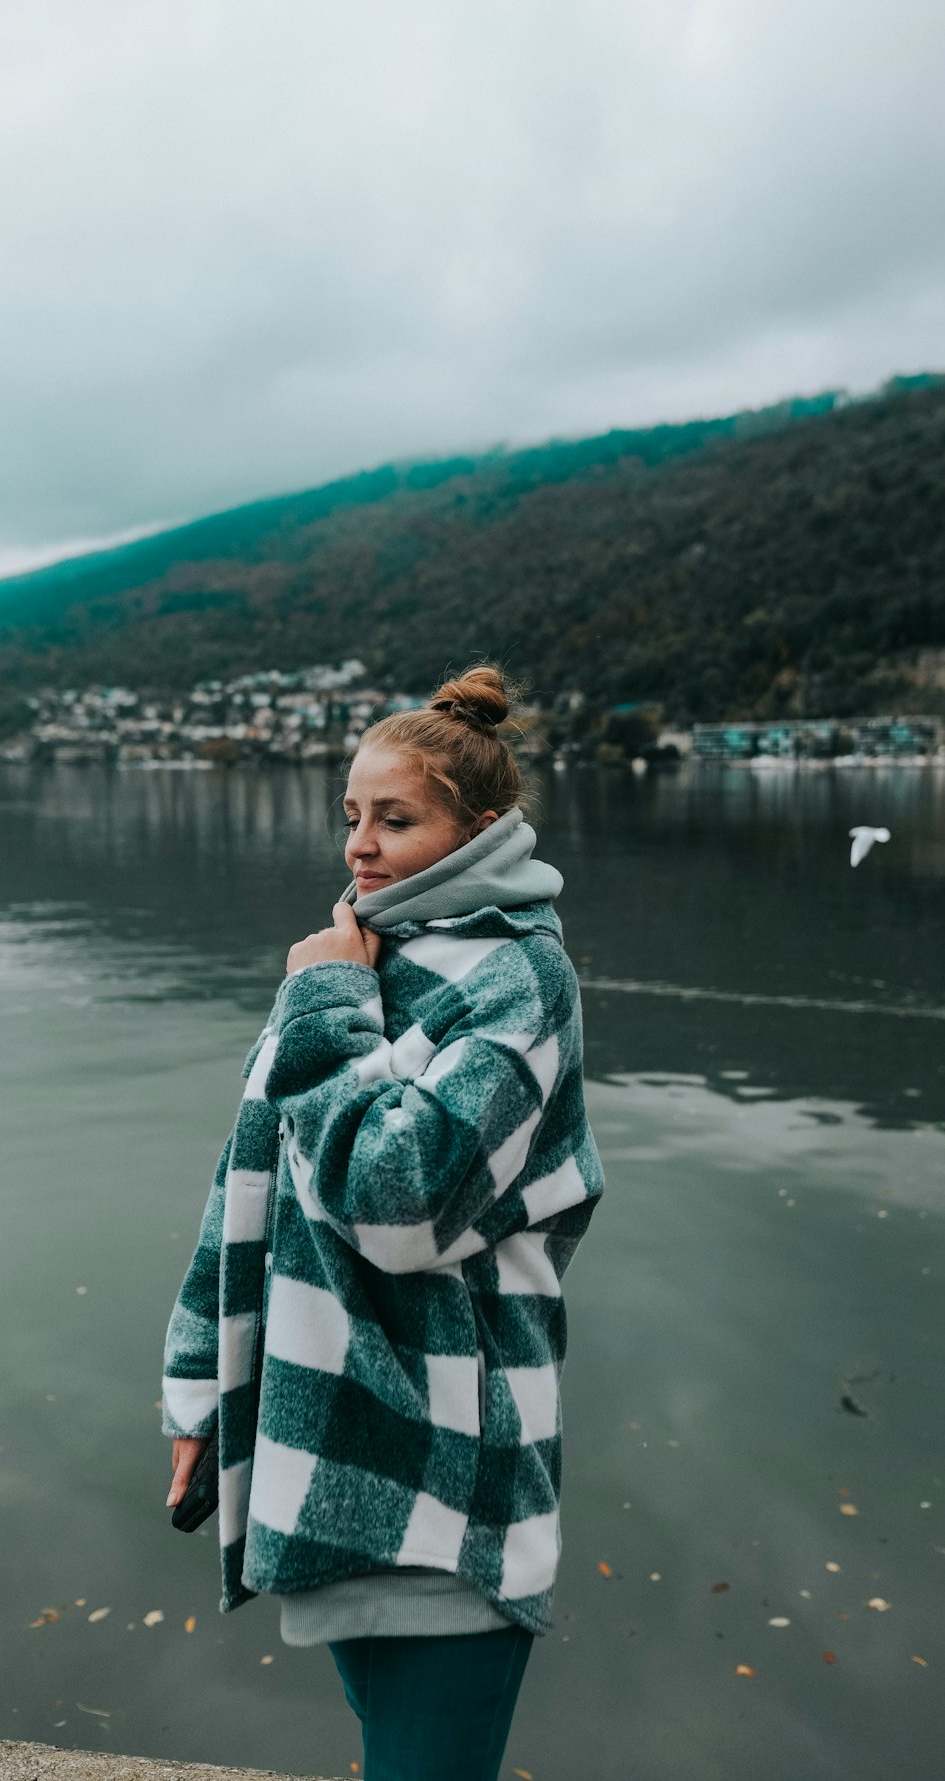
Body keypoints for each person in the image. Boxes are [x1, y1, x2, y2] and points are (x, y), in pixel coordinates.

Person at [161, 663, 605, 1781]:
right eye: (353, 814)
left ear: (481, 830)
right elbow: (246, 1183)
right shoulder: (357, 957)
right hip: (320, 1447)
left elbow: (402, 1207)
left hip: (446, 1463)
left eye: (394, 818)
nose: (359, 843)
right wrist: (198, 1390)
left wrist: (326, 1004)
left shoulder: (518, 978)